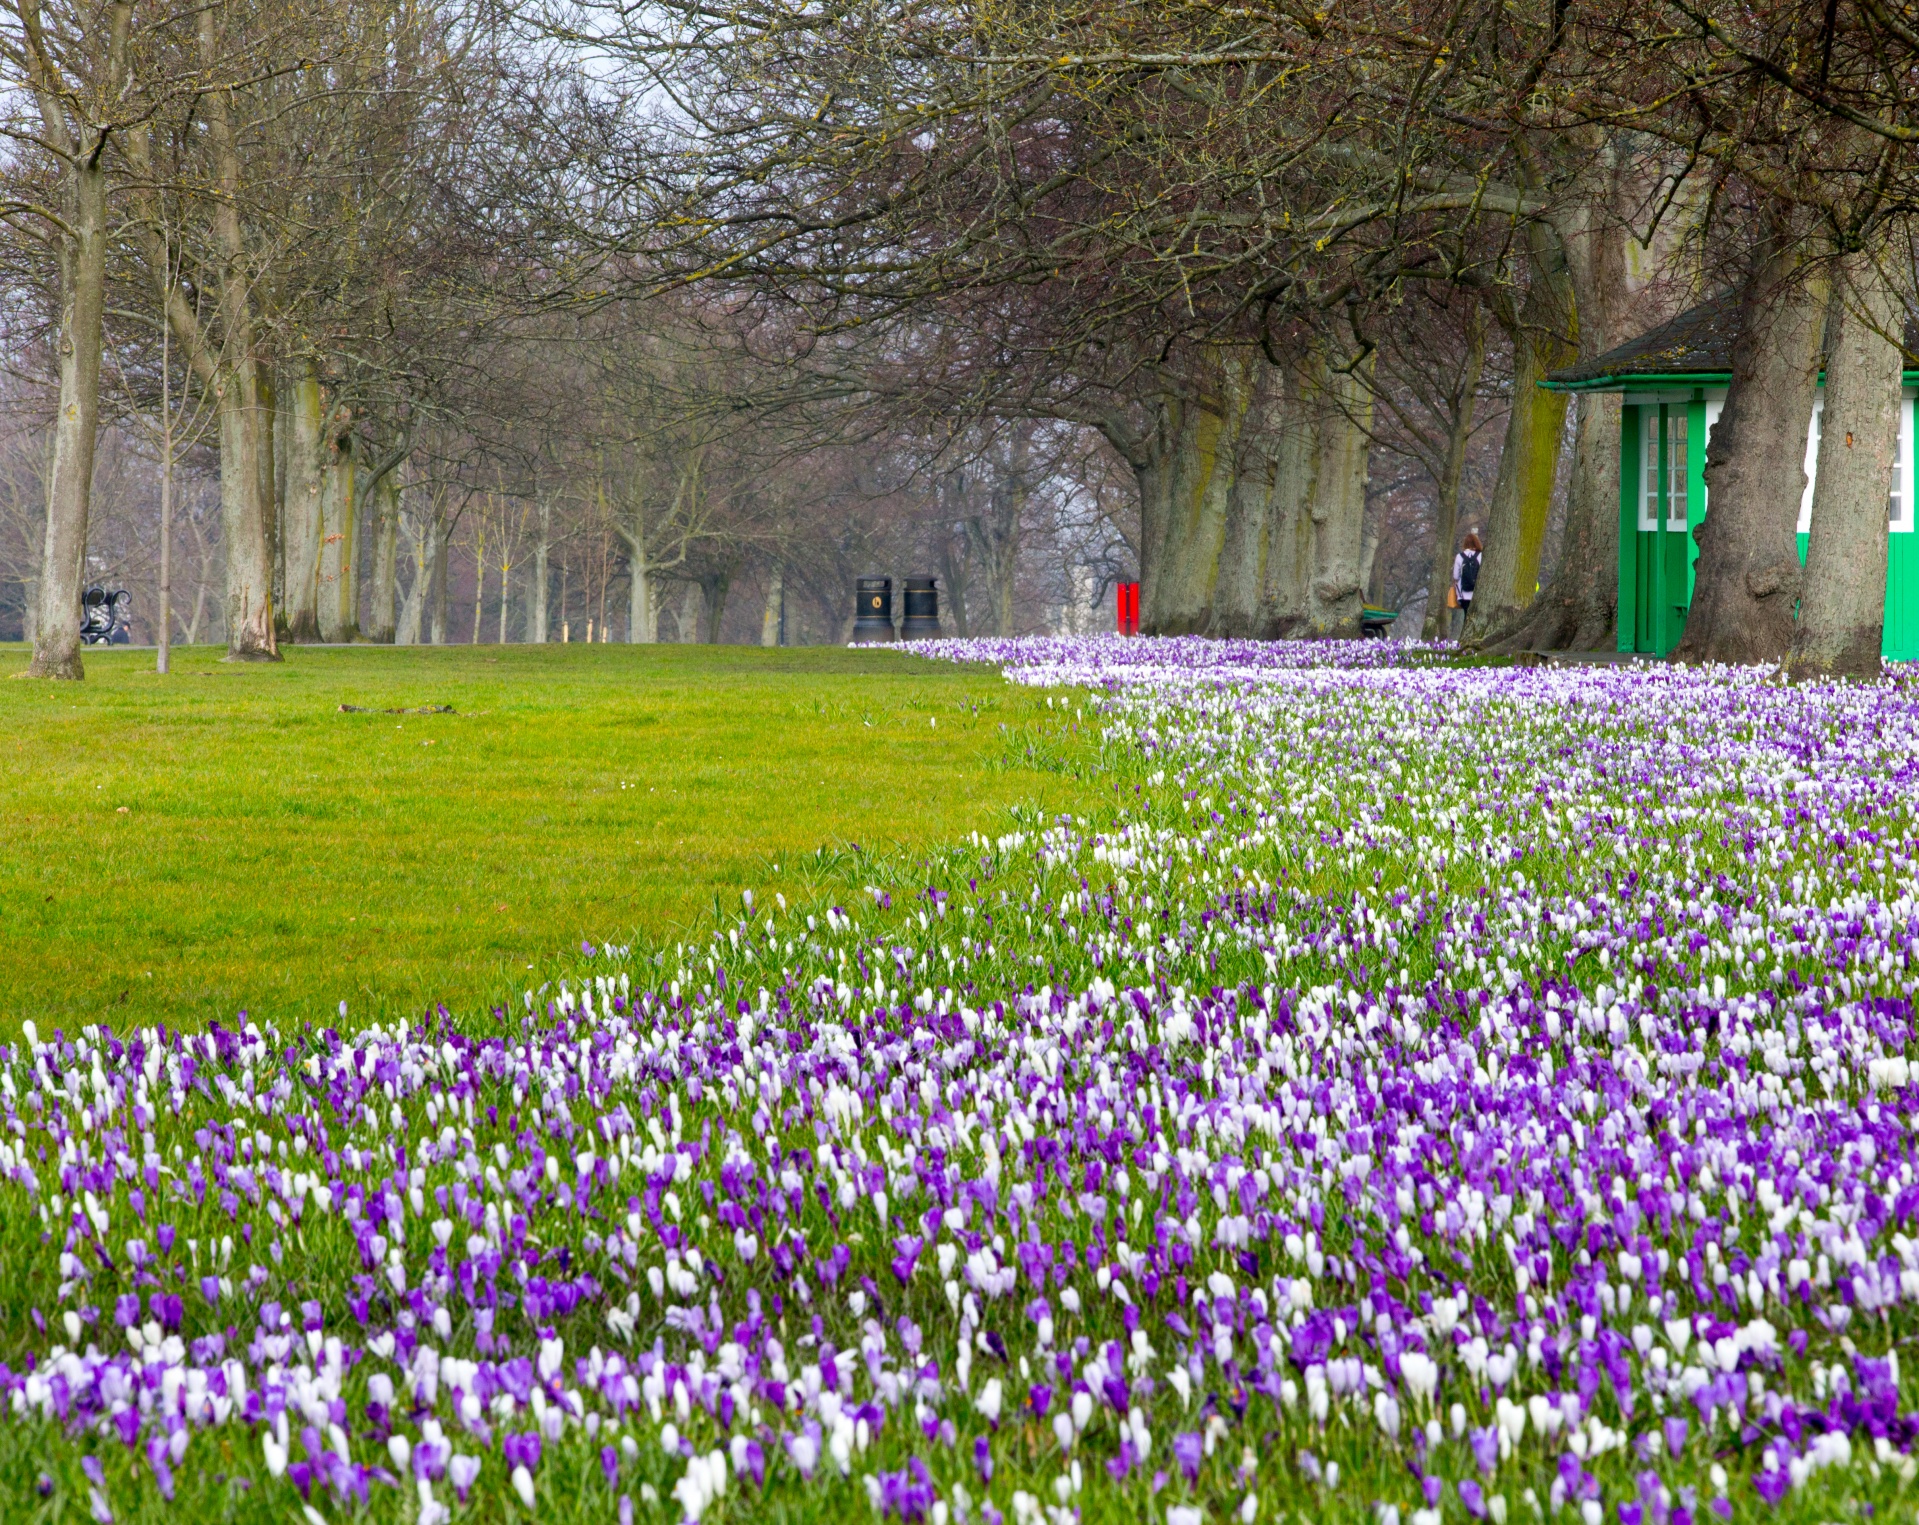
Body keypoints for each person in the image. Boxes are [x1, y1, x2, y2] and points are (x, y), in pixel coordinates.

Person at [1451, 532, 1482, 640]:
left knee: (1466, 616)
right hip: (1478, 593)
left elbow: (1456, 575)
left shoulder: (1460, 556)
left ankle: (1465, 638)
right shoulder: (1480, 556)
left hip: (1464, 594)